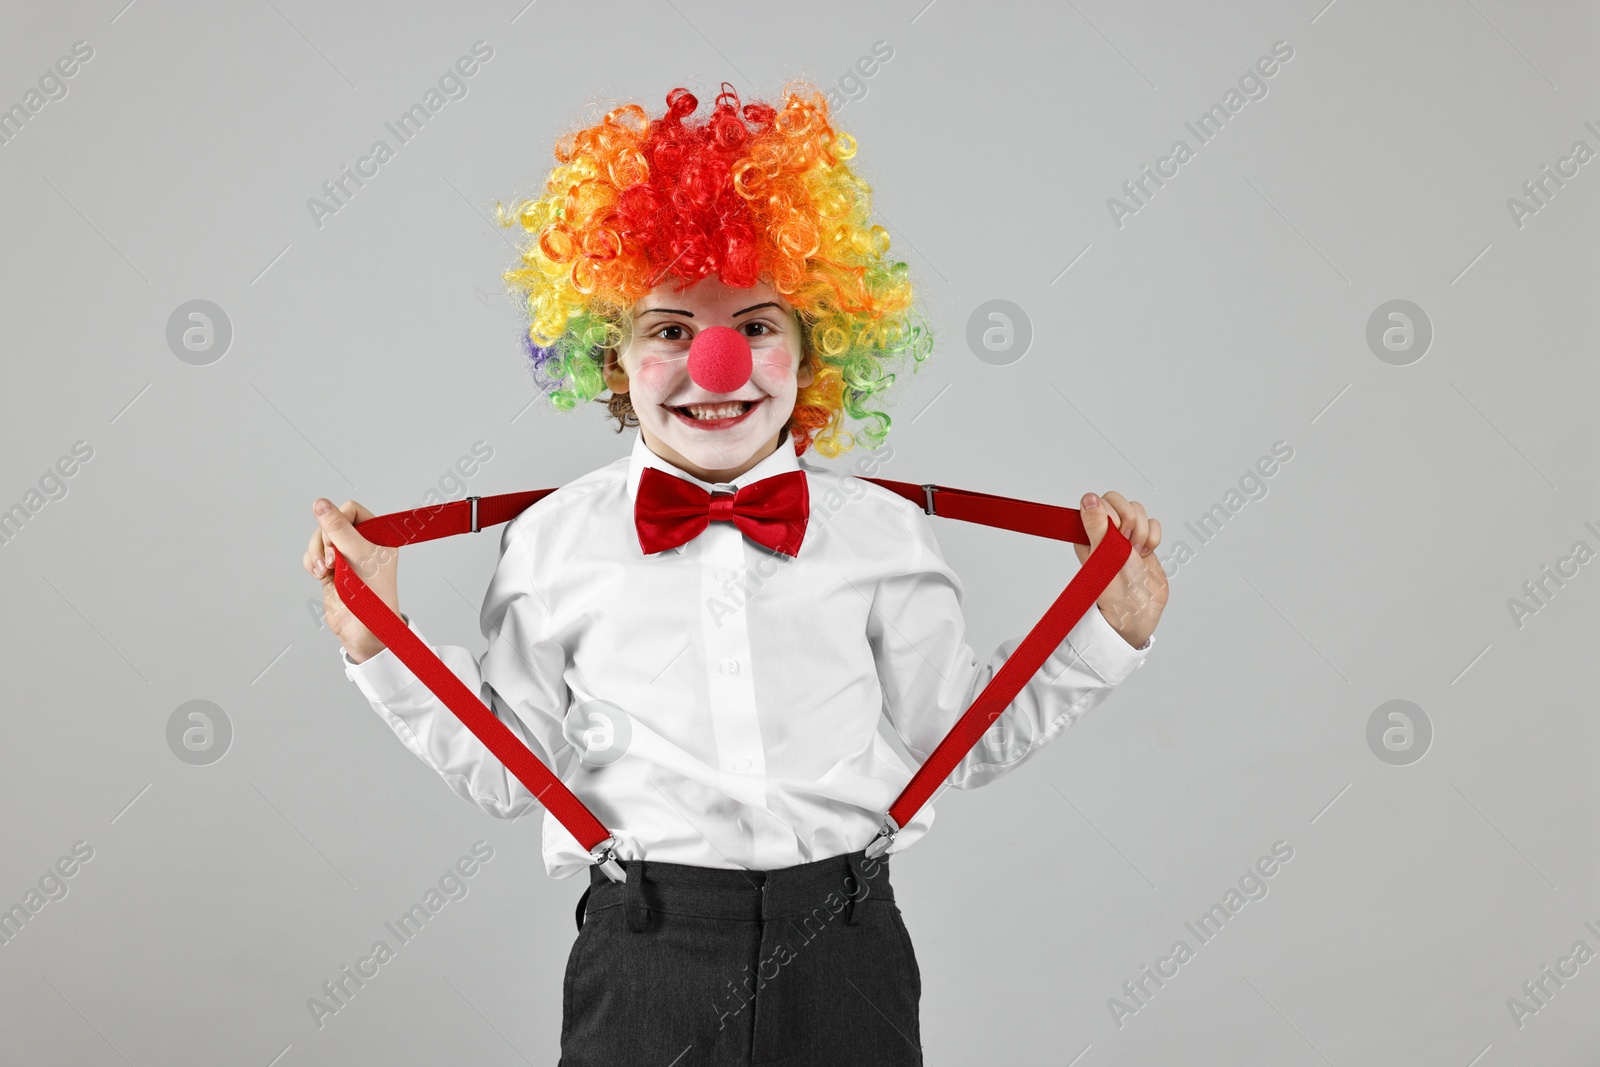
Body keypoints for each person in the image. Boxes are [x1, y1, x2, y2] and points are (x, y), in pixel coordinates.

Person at [302, 80, 1168, 1066]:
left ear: (814, 351)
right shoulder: (553, 540)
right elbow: (513, 770)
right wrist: (378, 640)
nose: (717, 364)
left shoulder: (880, 534)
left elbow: (956, 733)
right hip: (646, 949)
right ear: (613, 357)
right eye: (670, 329)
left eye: (756, 325)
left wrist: (1110, 629)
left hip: (844, 946)